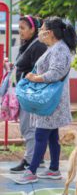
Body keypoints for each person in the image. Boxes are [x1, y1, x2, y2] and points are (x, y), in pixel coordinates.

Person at [13, 17, 77, 184]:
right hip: (51, 99)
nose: (40, 31)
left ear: (49, 33)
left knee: (41, 134)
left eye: (42, 28)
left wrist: (36, 78)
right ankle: (54, 169)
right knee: (51, 135)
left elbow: (55, 73)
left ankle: (31, 171)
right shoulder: (57, 47)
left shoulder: (59, 49)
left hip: (50, 101)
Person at [9, 15, 47, 173]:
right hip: (26, 91)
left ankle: (30, 160)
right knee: (31, 127)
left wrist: (22, 72)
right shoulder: (27, 44)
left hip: (30, 92)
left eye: (23, 28)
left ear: (33, 29)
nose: (20, 31)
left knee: (28, 127)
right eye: (19, 28)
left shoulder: (37, 45)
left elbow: (37, 69)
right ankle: (37, 158)